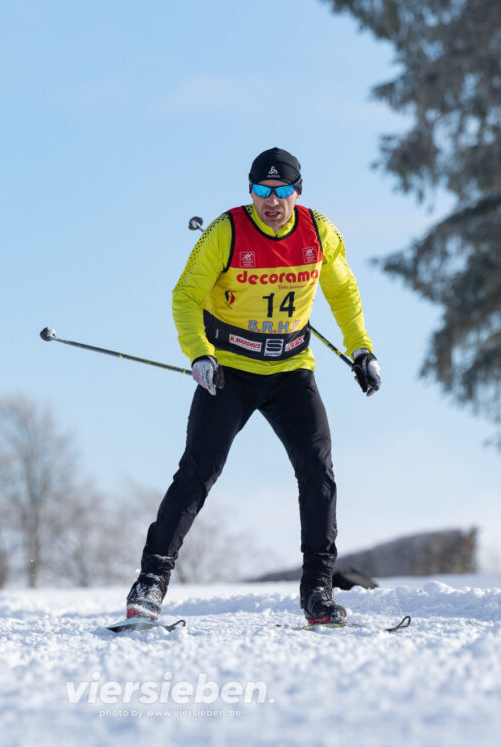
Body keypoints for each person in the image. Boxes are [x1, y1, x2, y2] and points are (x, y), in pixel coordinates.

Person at [125, 147, 381, 624]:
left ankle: (318, 591)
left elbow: (343, 290)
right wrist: (198, 354)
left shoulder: (319, 231)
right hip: (230, 370)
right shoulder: (226, 232)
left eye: (282, 190)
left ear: (297, 193)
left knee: (318, 472)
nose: (272, 200)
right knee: (198, 472)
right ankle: (151, 581)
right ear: (250, 192)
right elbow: (186, 295)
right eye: (262, 191)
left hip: (290, 370)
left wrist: (361, 348)